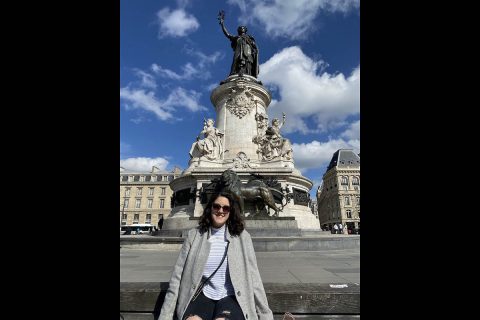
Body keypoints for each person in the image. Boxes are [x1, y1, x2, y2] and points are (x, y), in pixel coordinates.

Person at [158, 192, 274, 320]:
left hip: (231, 297)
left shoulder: (242, 237)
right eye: (216, 206)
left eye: (226, 208)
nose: (220, 211)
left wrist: (265, 315)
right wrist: (165, 316)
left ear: (231, 212)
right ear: (210, 208)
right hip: (200, 296)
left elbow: (254, 277)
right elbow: (177, 277)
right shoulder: (194, 235)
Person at [218, 11, 259, 78]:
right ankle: (236, 73)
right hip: (238, 53)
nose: (241, 29)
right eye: (240, 28)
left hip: (248, 53)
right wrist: (222, 24)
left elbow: (255, 48)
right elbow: (227, 34)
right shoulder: (237, 37)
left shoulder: (249, 38)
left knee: (248, 64)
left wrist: (254, 50)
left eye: (242, 28)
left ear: (245, 30)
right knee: (236, 63)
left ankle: (248, 75)